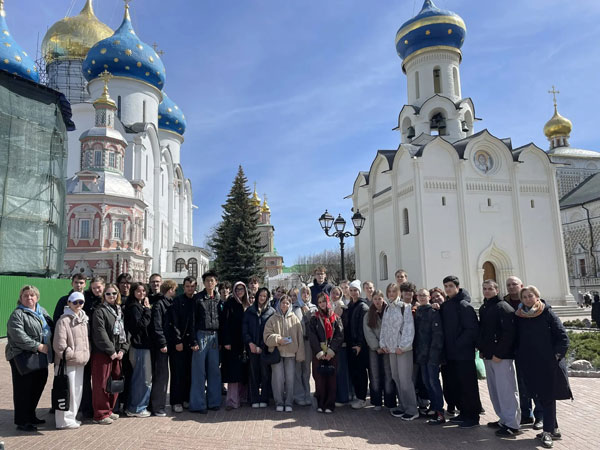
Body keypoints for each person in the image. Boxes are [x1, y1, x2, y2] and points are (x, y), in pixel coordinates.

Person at [515, 286, 571, 449]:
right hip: (530, 363)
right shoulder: (520, 316)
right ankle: (554, 428)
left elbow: (562, 337)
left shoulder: (547, 313)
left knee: (547, 396)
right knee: (540, 395)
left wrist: (556, 356)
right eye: (524, 297)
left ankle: (547, 432)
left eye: (530, 296)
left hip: (548, 363)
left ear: (537, 297)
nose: (527, 299)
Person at [6, 285, 53, 432]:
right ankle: (22, 421)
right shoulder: (17, 314)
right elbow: (18, 335)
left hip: (41, 356)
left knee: (38, 385)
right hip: (22, 356)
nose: (29, 298)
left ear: (37, 297)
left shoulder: (42, 311)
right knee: (23, 389)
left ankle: (31, 415)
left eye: (32, 295)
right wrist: (37, 346)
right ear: (21, 298)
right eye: (25, 295)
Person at [477, 280, 520, 436]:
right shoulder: (484, 307)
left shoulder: (503, 307)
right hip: (489, 355)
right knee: (495, 390)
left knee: (506, 390)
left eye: (490, 289)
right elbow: (484, 332)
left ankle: (512, 424)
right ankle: (503, 418)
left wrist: (500, 353)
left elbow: (509, 333)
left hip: (501, 357)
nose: (487, 291)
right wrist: (482, 350)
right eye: (484, 289)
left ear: (497, 290)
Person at [439, 275, 481, 429]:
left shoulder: (464, 306)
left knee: (468, 385)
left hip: (463, 354)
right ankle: (464, 413)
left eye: (451, 286)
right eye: (446, 286)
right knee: (457, 385)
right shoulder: (447, 305)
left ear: (457, 287)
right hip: (451, 354)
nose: (448, 289)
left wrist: (457, 344)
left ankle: (473, 416)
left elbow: (471, 329)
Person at [505, 276, 543, 429]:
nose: (511, 287)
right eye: (508, 285)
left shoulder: (538, 307)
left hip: (534, 351)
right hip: (517, 349)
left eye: (514, 284)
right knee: (522, 384)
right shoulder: (505, 303)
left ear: (521, 286)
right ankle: (526, 414)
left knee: (537, 383)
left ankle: (540, 416)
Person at [91, 283, 129, 425]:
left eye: (114, 293)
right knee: (101, 383)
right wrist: (111, 351)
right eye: (108, 293)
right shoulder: (99, 311)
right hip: (103, 353)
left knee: (114, 383)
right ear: (104, 296)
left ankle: (109, 409)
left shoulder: (119, 311)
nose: (111, 296)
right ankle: (100, 414)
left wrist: (123, 349)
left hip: (117, 353)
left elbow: (125, 332)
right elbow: (100, 333)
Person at [380, 282, 418, 420]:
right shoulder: (387, 308)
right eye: (389, 291)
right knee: (396, 378)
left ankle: (412, 409)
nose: (391, 294)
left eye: (394, 291)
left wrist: (403, 346)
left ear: (398, 293)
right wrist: (383, 343)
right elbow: (384, 327)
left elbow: (409, 328)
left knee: (405, 379)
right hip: (391, 349)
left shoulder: (405, 307)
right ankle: (403, 405)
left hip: (403, 350)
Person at [53, 291, 91, 429]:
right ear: (69, 303)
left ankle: (71, 417)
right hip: (67, 363)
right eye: (75, 302)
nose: (78, 304)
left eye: (81, 302)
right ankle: (63, 420)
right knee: (67, 391)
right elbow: (59, 344)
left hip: (80, 361)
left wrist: (85, 354)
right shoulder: (63, 320)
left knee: (77, 391)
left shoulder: (83, 319)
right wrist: (70, 354)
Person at [263, 294, 305, 412]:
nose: (285, 305)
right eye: (283, 303)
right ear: (279, 304)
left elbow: (300, 338)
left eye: (287, 303)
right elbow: (266, 336)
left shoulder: (295, 319)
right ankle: (279, 402)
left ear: (290, 305)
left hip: (291, 354)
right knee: (278, 379)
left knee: (290, 379)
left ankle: (289, 402)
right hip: (277, 354)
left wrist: (300, 355)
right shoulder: (272, 318)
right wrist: (277, 339)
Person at [189, 270, 222, 413]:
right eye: (207, 280)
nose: (209, 283)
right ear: (203, 283)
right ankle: (198, 404)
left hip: (214, 337)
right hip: (201, 336)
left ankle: (214, 402)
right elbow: (192, 321)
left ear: (216, 282)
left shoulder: (218, 299)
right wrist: (193, 341)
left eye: (212, 280)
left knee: (214, 371)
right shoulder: (198, 299)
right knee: (199, 372)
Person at [414, 288, 445, 424]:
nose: (422, 297)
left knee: (433, 382)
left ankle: (440, 412)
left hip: (432, 354)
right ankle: (433, 407)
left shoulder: (433, 312)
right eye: (420, 295)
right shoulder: (418, 311)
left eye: (424, 295)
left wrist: (435, 354)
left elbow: (437, 335)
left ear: (429, 297)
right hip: (422, 354)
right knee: (427, 382)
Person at [309, 292, 344, 413]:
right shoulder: (314, 318)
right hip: (318, 354)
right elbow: (312, 336)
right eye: (319, 302)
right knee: (319, 379)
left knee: (331, 379)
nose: (322, 304)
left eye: (323, 301)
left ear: (328, 302)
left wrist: (331, 350)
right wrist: (319, 352)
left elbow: (339, 335)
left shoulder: (336, 318)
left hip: (331, 353)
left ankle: (329, 404)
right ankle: (321, 403)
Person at [242, 287, 275, 408]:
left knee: (265, 374)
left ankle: (265, 398)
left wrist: (262, 345)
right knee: (253, 373)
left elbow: (272, 331)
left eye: (264, 296)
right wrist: (250, 343)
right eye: (260, 295)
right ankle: (254, 398)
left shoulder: (271, 312)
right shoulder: (249, 311)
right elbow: (244, 330)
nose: (262, 298)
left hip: (265, 348)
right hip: (252, 347)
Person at [123, 282, 152, 418]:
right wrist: (147, 310)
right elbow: (139, 325)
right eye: (138, 291)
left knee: (141, 377)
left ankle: (136, 406)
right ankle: (137, 408)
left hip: (142, 346)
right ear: (133, 292)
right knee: (142, 378)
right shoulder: (134, 307)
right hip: (139, 346)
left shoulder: (138, 305)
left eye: (143, 291)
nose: (141, 293)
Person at [363, 289, 396, 410]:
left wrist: (387, 345)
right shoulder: (368, 314)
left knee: (388, 374)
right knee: (375, 375)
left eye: (379, 298)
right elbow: (368, 332)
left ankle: (390, 402)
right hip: (374, 349)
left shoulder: (389, 311)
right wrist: (376, 346)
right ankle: (377, 402)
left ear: (383, 299)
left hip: (388, 348)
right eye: (375, 299)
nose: (377, 301)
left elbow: (393, 328)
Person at [150, 279, 177, 417]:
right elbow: (157, 325)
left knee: (165, 375)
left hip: (169, 343)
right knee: (161, 375)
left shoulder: (169, 303)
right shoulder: (159, 305)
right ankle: (157, 407)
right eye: (174, 290)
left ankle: (159, 405)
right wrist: (162, 343)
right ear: (170, 290)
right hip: (163, 345)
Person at [222, 281, 251, 410]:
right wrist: (226, 341)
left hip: (245, 344)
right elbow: (225, 323)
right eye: (237, 289)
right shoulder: (230, 304)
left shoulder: (247, 304)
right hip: (233, 343)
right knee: (233, 372)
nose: (239, 291)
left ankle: (242, 398)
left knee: (244, 371)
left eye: (242, 289)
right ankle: (232, 400)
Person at [169, 276, 196, 412]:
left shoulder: (197, 300)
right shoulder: (177, 301)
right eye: (187, 286)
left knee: (189, 372)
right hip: (179, 342)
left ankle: (186, 398)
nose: (190, 289)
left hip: (192, 343)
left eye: (192, 286)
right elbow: (174, 323)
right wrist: (178, 340)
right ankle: (176, 401)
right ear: (183, 287)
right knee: (177, 372)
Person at [80, 276, 105, 420]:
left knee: (100, 378)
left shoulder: (108, 299)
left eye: (99, 287)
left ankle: (102, 406)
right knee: (85, 377)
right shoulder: (85, 300)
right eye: (94, 287)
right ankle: (86, 408)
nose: (97, 290)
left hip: (101, 345)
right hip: (87, 343)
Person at [346, 280, 369, 409]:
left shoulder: (362, 307)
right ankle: (357, 395)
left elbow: (362, 328)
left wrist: (360, 344)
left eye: (355, 290)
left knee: (360, 372)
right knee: (354, 371)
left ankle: (362, 398)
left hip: (359, 345)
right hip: (350, 343)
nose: (353, 292)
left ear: (359, 292)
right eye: (351, 290)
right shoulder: (350, 305)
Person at [292, 285, 316, 406]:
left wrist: (307, 311)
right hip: (298, 342)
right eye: (303, 293)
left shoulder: (314, 308)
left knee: (306, 369)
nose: (305, 295)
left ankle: (307, 395)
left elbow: (315, 323)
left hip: (308, 342)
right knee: (297, 369)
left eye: (307, 293)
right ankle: (298, 395)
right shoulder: (294, 308)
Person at [330, 285, 352, 406]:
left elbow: (344, 327)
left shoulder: (343, 307)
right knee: (334, 371)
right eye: (332, 293)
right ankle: (336, 395)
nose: (334, 296)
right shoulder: (329, 307)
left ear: (340, 295)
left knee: (341, 371)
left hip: (341, 344)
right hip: (331, 344)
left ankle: (343, 397)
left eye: (337, 294)